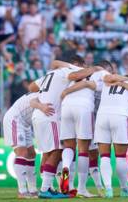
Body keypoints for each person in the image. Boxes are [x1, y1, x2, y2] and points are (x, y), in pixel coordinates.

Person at [28, 59, 95, 199]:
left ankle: (49, 187)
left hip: (38, 115)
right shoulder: (67, 71)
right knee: (57, 150)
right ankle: (45, 189)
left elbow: (31, 87)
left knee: (47, 152)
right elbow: (75, 76)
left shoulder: (50, 74)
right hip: (50, 115)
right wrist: (93, 69)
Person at [59, 60, 109, 197]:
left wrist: (66, 91)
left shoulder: (80, 72)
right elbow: (89, 84)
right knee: (83, 150)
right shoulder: (103, 74)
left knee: (68, 146)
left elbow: (73, 77)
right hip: (84, 107)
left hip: (66, 106)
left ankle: (66, 167)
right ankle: (81, 188)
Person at [94, 73, 128, 198]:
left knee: (104, 156)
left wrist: (119, 81)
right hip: (120, 116)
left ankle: (108, 189)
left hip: (101, 117)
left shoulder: (107, 82)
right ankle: (124, 189)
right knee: (120, 157)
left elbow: (103, 79)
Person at [3, 92, 52, 198]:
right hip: (15, 118)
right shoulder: (44, 93)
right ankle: (22, 191)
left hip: (26, 123)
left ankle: (33, 190)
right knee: (22, 152)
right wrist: (42, 107)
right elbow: (32, 102)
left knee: (31, 154)